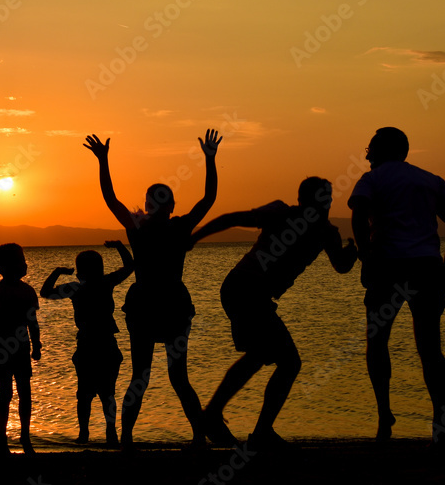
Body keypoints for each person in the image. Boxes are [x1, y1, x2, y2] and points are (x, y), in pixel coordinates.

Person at [191, 177, 358, 450]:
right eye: (320, 199)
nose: (326, 204)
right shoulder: (281, 213)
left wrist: (352, 253)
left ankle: (227, 420)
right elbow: (231, 218)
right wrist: (195, 237)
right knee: (286, 361)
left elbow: (340, 266)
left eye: (328, 199)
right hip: (243, 287)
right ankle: (249, 427)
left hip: (255, 293)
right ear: (304, 201)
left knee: (262, 356)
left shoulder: (327, 232)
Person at [84, 130, 221, 451]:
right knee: (165, 377)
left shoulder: (146, 230)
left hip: (159, 305)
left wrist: (103, 162)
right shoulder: (157, 228)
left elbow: (111, 199)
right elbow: (208, 200)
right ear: (165, 205)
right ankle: (161, 437)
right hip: (158, 305)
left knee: (148, 376)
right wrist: (210, 160)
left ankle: (143, 439)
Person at [347, 127, 445, 445]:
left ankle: (384, 415)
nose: (367, 155)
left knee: (378, 342)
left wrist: (365, 256)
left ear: (381, 151)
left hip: (387, 266)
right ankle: (440, 418)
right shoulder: (431, 180)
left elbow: (358, 216)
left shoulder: (371, 181)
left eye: (370, 149)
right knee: (430, 347)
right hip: (427, 267)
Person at [40, 240, 134, 446]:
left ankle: (85, 434)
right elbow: (130, 266)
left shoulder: (76, 288)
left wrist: (57, 272)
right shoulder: (106, 282)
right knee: (107, 393)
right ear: (100, 269)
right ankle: (110, 434)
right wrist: (119, 246)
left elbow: (45, 292)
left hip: (89, 345)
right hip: (105, 344)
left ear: (80, 271)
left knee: (85, 393)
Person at [0, 243, 41, 454]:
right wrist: (33, 343)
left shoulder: (26, 291)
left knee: (21, 391)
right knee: (7, 392)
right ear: (7, 267)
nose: (25, 264)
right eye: (21, 261)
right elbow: (3, 320)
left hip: (16, 345)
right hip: (4, 346)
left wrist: (36, 344)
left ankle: (24, 437)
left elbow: (32, 322)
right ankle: (3, 438)